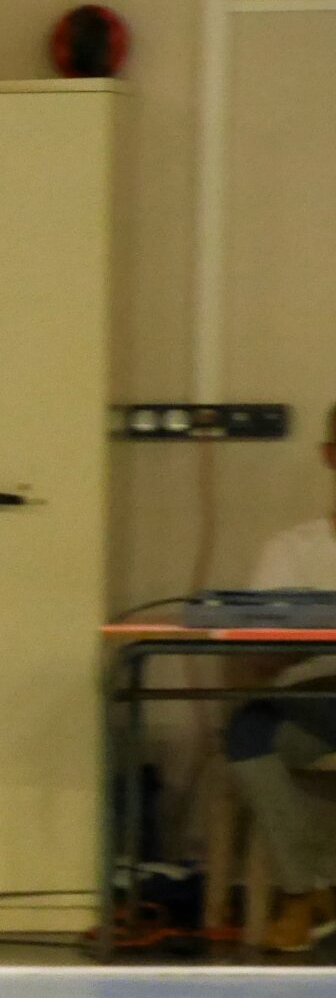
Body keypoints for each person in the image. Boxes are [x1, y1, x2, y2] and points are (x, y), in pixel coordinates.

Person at [225, 404, 336, 952]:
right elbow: (260, 653)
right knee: (250, 734)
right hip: (314, 698)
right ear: (330, 456)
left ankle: (313, 889)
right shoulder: (291, 550)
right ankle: (305, 891)